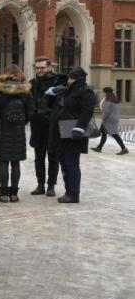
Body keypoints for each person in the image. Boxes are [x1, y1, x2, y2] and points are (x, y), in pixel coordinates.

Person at [46, 67, 96, 203]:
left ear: (74, 79)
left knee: (71, 163)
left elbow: (87, 112)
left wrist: (80, 128)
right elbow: (59, 102)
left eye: (70, 78)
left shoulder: (85, 91)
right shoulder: (70, 90)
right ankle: (69, 191)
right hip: (63, 132)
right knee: (65, 163)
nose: (68, 81)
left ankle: (73, 194)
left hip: (73, 133)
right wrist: (53, 92)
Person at [0, 64, 32, 203]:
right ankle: (14, 194)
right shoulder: (25, 91)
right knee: (15, 162)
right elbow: (30, 112)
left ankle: (3, 194)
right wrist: (21, 123)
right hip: (18, 131)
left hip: (3, 129)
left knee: (3, 161)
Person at [28, 57, 66, 197]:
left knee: (53, 156)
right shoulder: (32, 83)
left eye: (42, 68)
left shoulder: (58, 82)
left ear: (49, 67)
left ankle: (51, 185)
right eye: (37, 68)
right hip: (37, 125)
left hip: (52, 124)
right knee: (39, 156)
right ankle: (40, 185)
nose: (39, 70)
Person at [91, 87, 128, 155]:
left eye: (103, 92)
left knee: (114, 134)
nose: (102, 93)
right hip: (112, 119)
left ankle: (124, 149)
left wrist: (103, 118)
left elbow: (106, 112)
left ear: (106, 92)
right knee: (104, 134)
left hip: (109, 120)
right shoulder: (114, 100)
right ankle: (99, 147)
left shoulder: (108, 101)